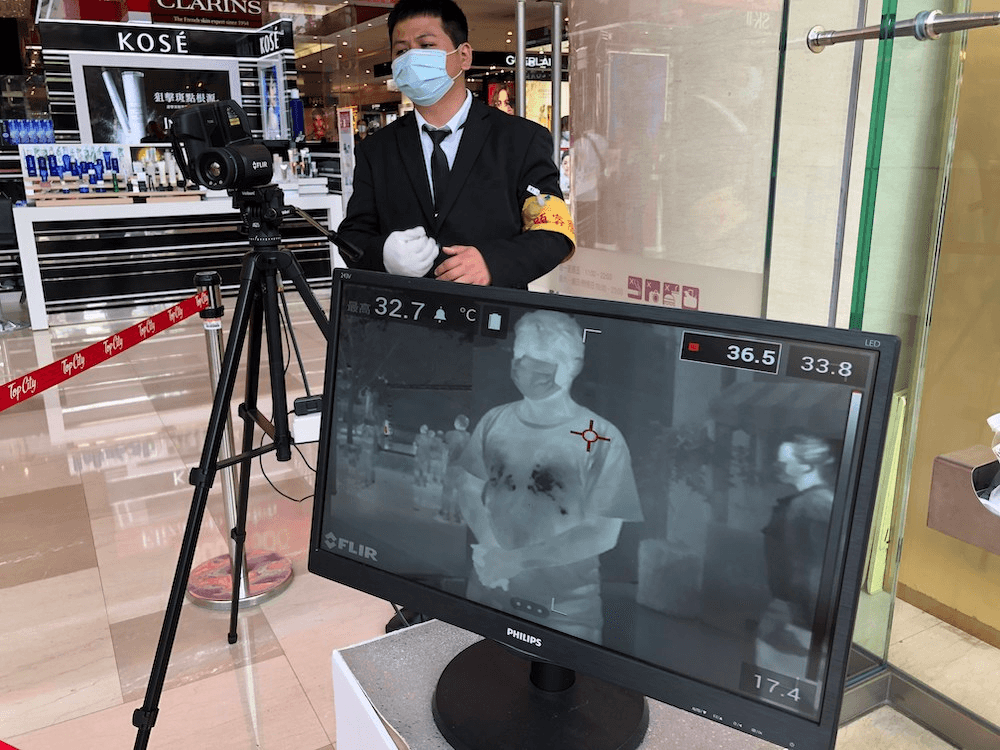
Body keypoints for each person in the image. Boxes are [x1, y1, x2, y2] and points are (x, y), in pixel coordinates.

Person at [336, 0, 574, 289]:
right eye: (401, 51)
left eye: (426, 45)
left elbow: (553, 232)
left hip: (493, 310)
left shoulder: (521, 139)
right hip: (405, 310)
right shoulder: (377, 149)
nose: (412, 58)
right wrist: (383, 254)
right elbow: (352, 235)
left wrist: (493, 263)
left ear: (463, 56)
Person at [455, 310, 643, 643]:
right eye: (520, 356)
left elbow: (602, 532)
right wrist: (491, 545)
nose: (525, 367)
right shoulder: (494, 421)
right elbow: (469, 487)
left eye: (540, 359)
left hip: (565, 614)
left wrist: (516, 561)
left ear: (573, 366)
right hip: (486, 598)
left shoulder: (602, 438)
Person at [756, 435, 837, 682]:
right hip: (795, 609)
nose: (778, 467)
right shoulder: (804, 502)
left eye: (784, 462)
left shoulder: (814, 505)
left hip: (803, 613)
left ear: (806, 466)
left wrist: (804, 618)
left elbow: (816, 566)